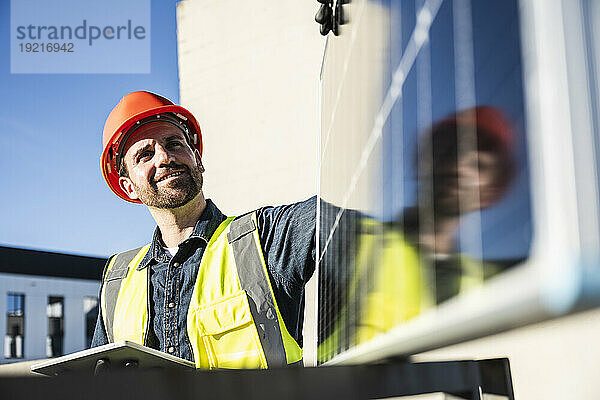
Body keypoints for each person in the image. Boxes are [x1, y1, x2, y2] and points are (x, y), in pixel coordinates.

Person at [92, 91, 316, 369]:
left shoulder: (265, 238)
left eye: (174, 143)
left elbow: (343, 205)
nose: (164, 157)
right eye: (144, 154)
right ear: (128, 186)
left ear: (197, 159)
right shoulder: (117, 279)